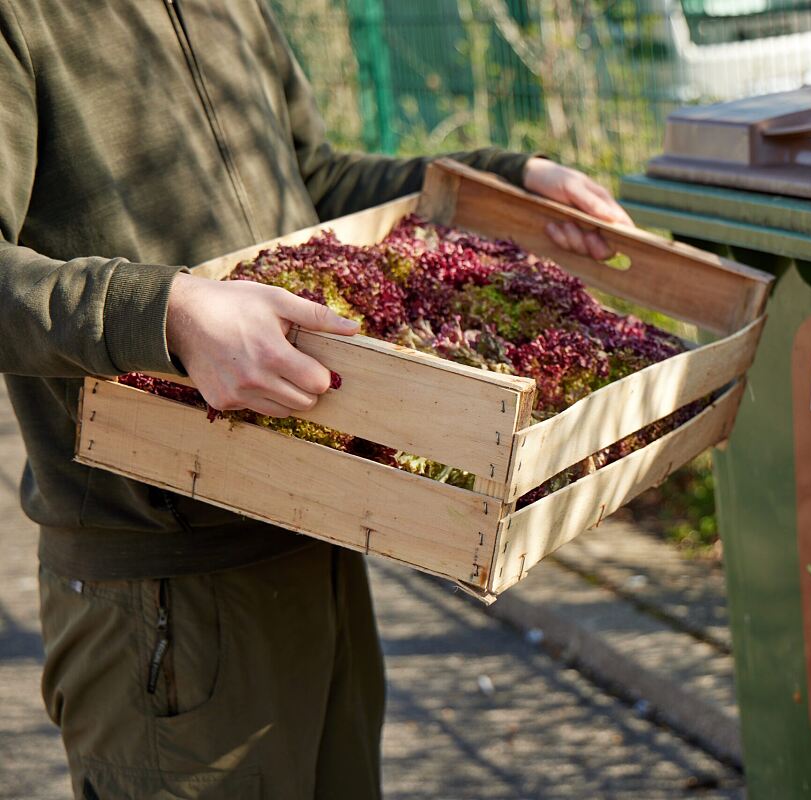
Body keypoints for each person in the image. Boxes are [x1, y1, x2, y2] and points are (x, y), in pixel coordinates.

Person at [0, 1, 632, 797]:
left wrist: (507, 180)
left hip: (321, 540)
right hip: (163, 593)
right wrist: (167, 313)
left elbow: (315, 182)